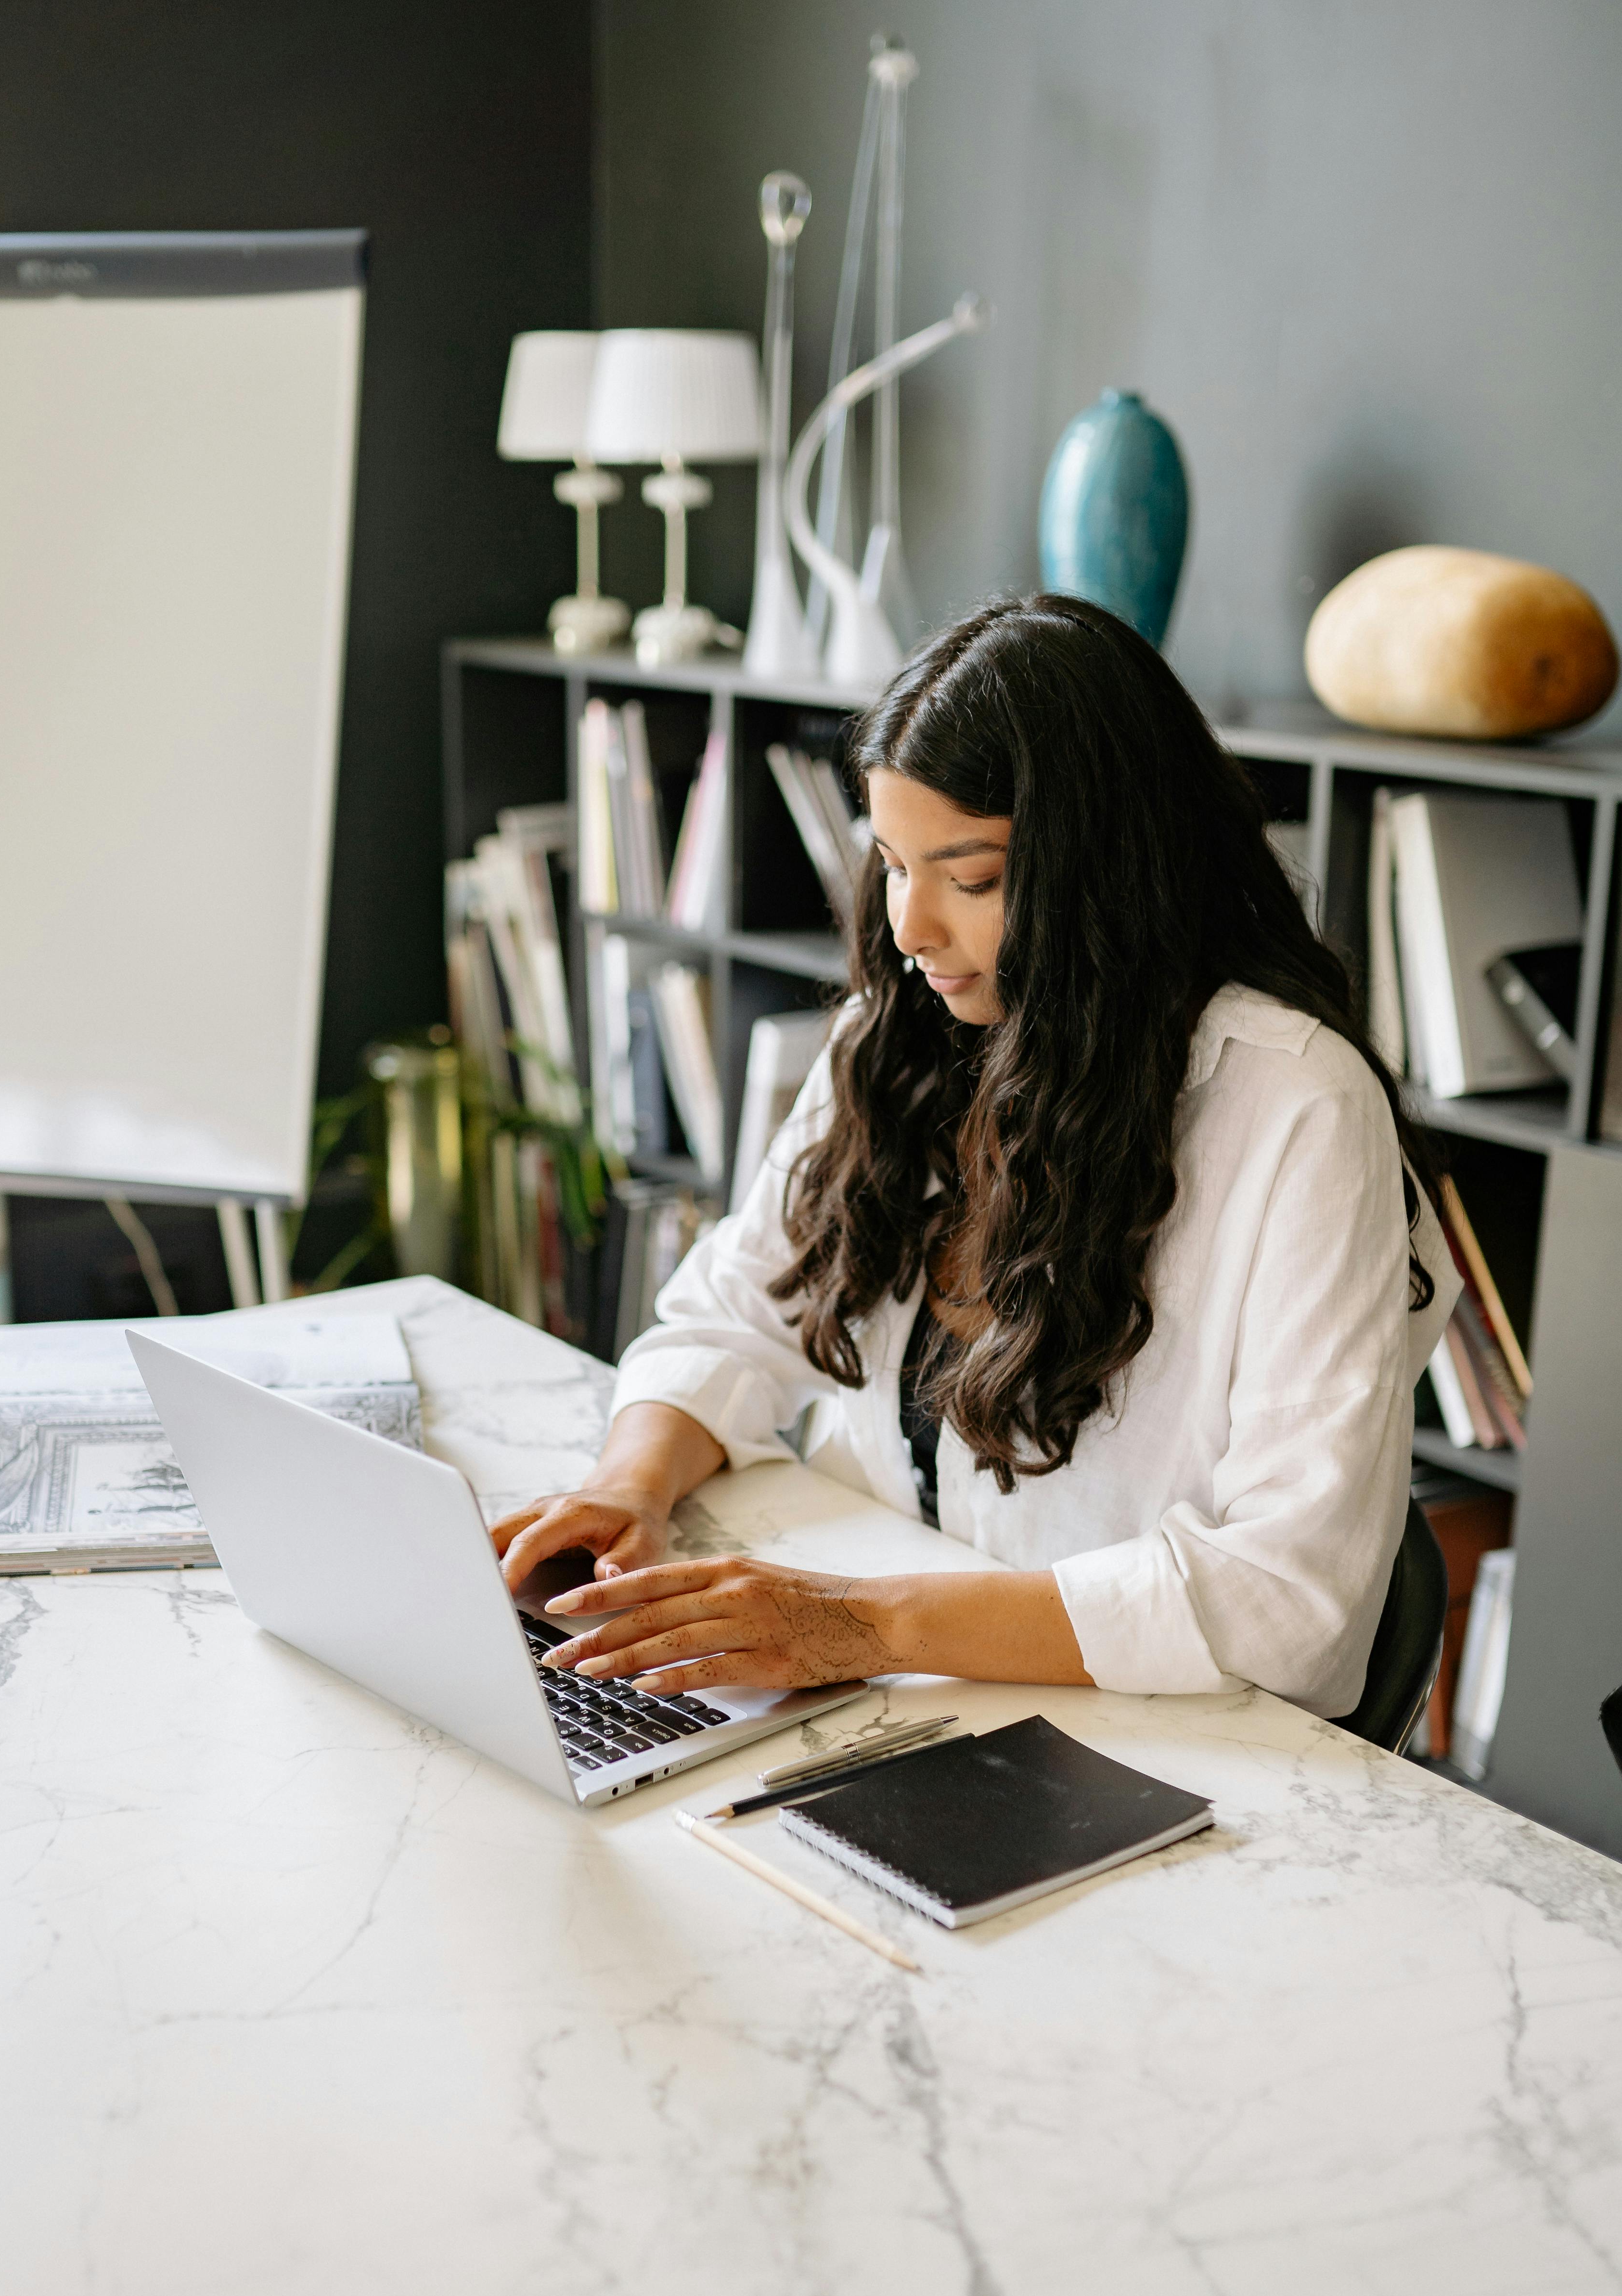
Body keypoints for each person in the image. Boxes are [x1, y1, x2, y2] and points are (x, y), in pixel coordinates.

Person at [494, 596, 1459, 1717]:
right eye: (892, 863)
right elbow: (731, 1315)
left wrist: (854, 1625)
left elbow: (1285, 1596)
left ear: (1111, 872)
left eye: (973, 878)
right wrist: (631, 1486)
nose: (908, 929)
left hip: (1146, 1740)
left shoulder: (1295, 1107)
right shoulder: (903, 1037)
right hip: (899, 1695)